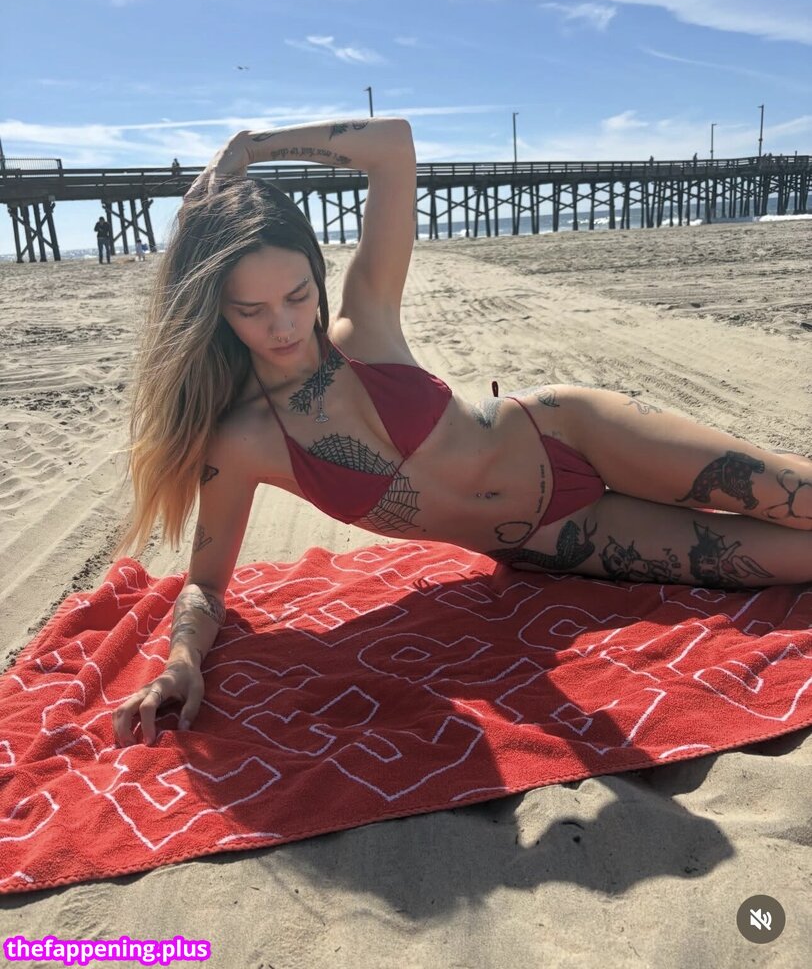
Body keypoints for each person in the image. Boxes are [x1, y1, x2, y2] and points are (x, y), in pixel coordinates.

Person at [109, 118, 812, 746]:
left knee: (797, 495)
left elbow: (393, 146)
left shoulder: (365, 321)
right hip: (561, 540)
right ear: (217, 311)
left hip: (573, 435)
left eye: (298, 295)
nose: (285, 324)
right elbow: (207, 586)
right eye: (252, 310)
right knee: (797, 557)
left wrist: (251, 149)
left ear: (318, 279)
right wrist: (180, 662)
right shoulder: (241, 442)